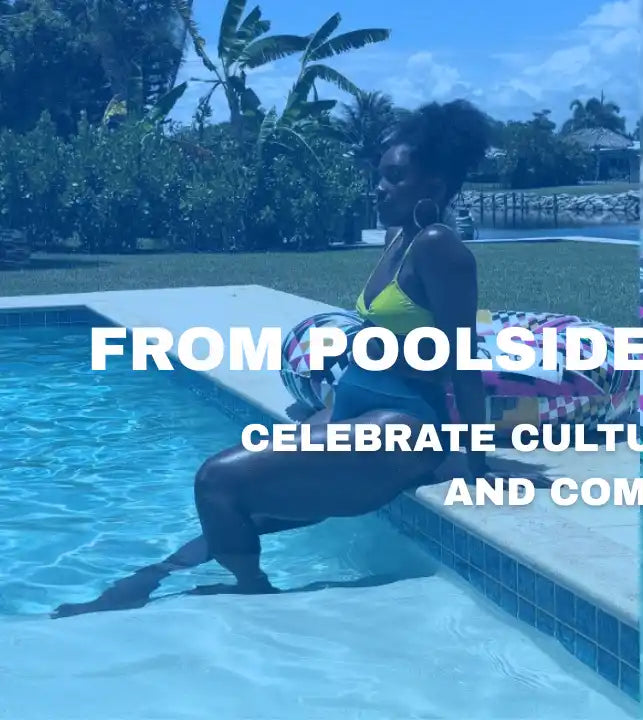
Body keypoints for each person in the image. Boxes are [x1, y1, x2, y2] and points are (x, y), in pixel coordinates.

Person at [53, 100, 495, 618]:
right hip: (356, 408)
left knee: (217, 479)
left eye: (395, 177)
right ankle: (149, 580)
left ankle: (251, 592)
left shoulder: (439, 247)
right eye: (380, 176)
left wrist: (477, 465)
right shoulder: (402, 239)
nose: (380, 187)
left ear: (435, 187)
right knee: (240, 506)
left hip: (401, 428)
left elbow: (463, 361)